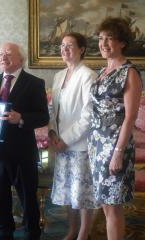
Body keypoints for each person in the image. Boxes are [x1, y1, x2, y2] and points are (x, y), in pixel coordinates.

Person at [0, 42, 49, 240]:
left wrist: (22, 118)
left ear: (21, 59)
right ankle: (3, 233)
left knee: (28, 199)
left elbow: (43, 117)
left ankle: (32, 233)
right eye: (0, 53)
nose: (3, 57)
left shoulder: (34, 83)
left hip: (22, 152)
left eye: (8, 53)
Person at [87, 17, 143, 240]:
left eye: (109, 38)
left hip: (114, 146)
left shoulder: (129, 72)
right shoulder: (103, 70)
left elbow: (130, 117)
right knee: (104, 201)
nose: (103, 43)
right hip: (96, 146)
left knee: (113, 205)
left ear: (122, 43)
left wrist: (118, 154)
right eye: (101, 38)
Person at [48, 32, 98, 240]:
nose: (64, 49)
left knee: (82, 193)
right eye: (62, 46)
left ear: (81, 49)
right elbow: (53, 110)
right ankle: (71, 229)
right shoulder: (59, 76)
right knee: (68, 191)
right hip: (60, 144)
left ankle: (83, 233)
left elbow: (89, 116)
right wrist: (52, 133)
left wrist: (65, 140)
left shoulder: (89, 75)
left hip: (80, 145)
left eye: (70, 45)